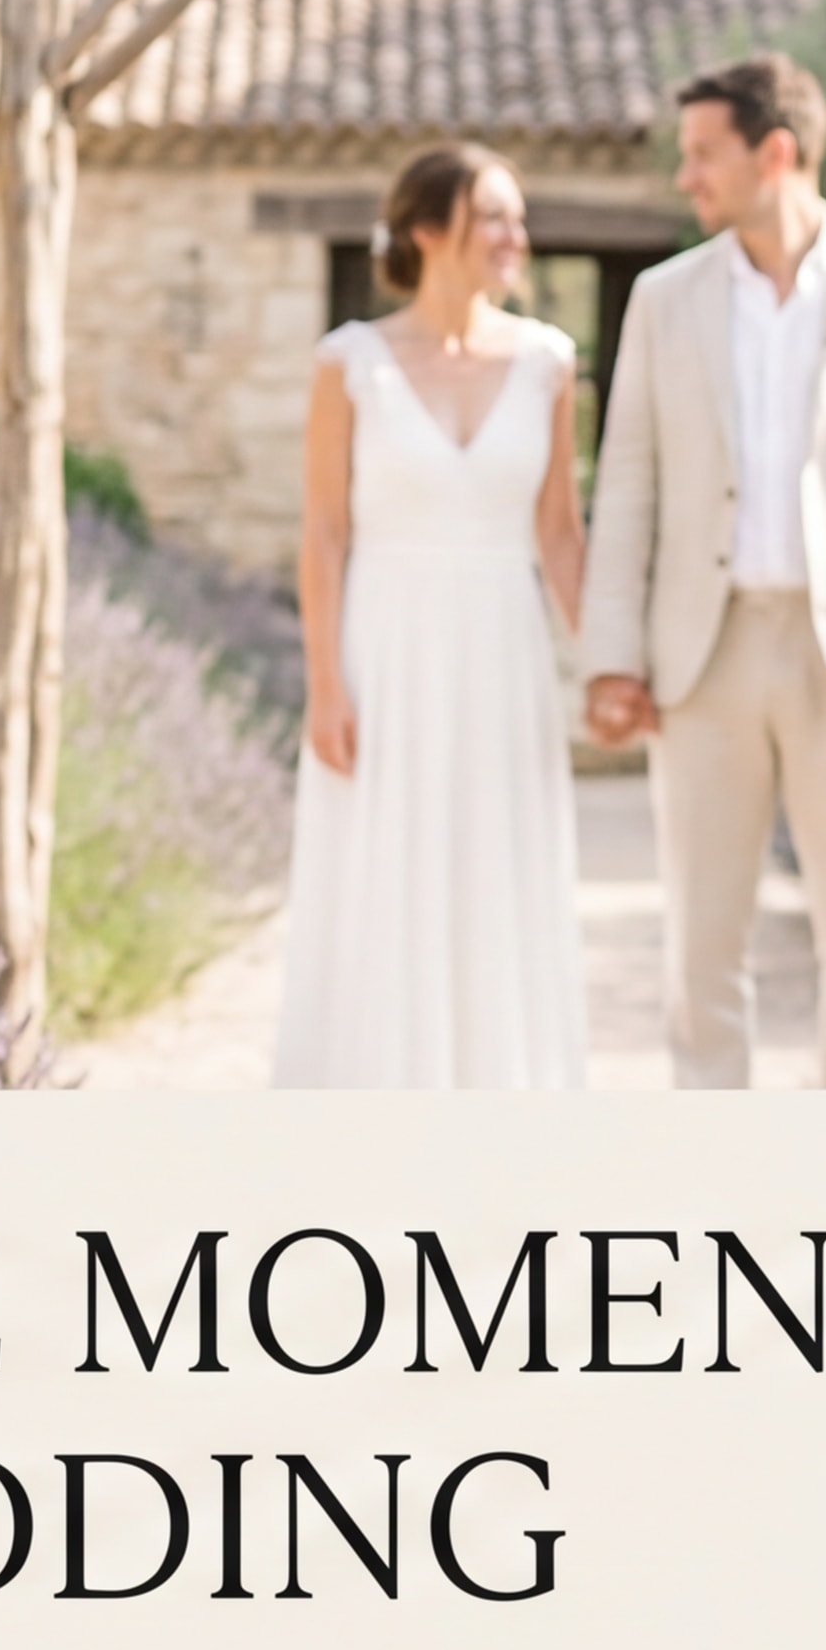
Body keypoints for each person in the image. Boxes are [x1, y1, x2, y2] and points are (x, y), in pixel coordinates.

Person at [575, 55, 826, 1088]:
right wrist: (610, 656)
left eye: (704, 154)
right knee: (702, 949)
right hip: (703, 658)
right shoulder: (664, 299)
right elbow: (627, 485)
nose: (686, 178)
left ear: (777, 153)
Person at [274, 144, 593, 1089]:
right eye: (492, 215)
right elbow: (323, 530)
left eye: (517, 217)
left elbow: (560, 532)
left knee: (499, 870)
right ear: (425, 230)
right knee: (385, 872)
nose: (514, 236)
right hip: (386, 649)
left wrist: (613, 665)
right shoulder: (349, 363)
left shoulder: (547, 362)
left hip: (503, 649)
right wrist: (325, 685)